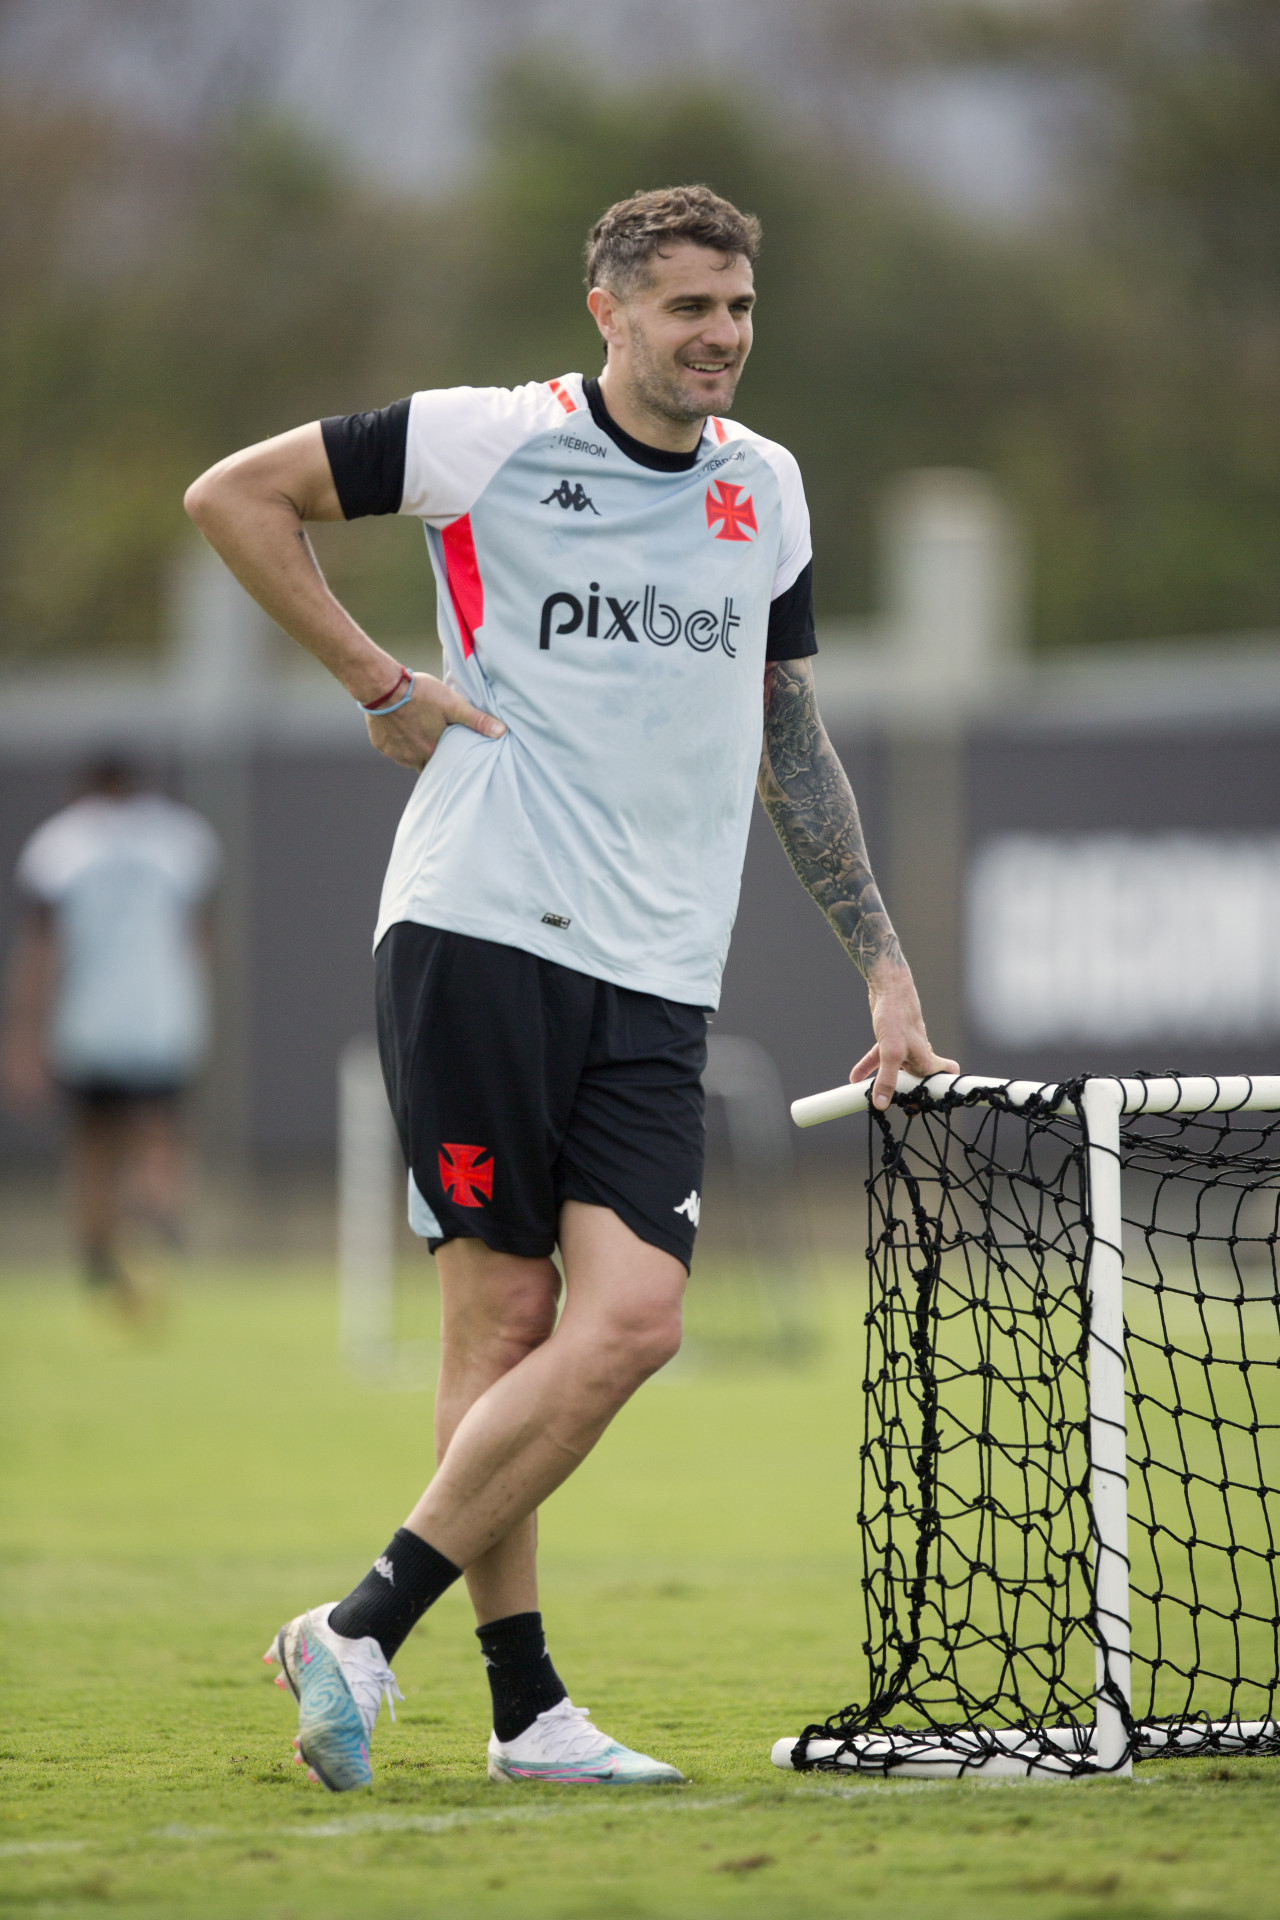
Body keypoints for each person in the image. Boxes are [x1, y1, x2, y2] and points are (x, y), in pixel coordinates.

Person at [184, 184, 956, 1793]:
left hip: (660, 969)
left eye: (739, 308)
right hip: (481, 926)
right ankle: (527, 1713)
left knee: (636, 1322)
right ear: (609, 314)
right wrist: (377, 680)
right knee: (506, 1316)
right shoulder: (492, 439)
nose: (721, 337)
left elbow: (790, 735)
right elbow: (235, 497)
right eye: (689, 309)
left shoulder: (767, 486)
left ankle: (360, 1627)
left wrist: (885, 967)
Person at [2, 756, 220, 1312]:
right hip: (161, 1020)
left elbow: (42, 949)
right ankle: (155, 1236)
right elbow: (197, 937)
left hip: (87, 1024)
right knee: (160, 1136)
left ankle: (101, 1263)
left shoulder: (60, 846)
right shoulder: (179, 839)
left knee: (93, 1147)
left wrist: (25, 1034)